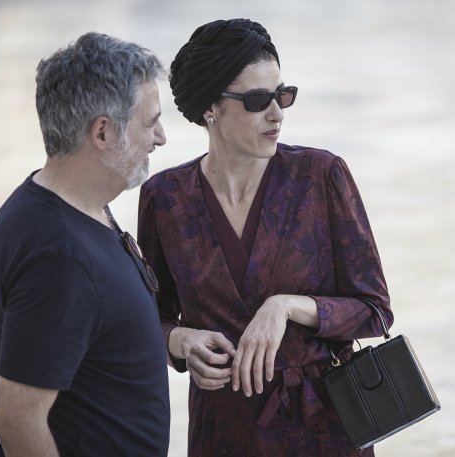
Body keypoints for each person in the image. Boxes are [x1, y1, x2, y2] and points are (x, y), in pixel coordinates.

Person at [138, 19, 392, 456]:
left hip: (324, 432)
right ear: (210, 108)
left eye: (283, 95)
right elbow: (147, 318)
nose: (277, 113)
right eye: (258, 100)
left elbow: (375, 311)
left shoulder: (321, 175)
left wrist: (286, 306)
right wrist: (180, 342)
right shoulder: (165, 198)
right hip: (223, 432)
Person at [0, 32, 170, 457]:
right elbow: (17, 422)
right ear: (102, 132)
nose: (160, 137)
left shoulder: (74, 204)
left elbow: (96, 332)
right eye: (149, 122)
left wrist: (174, 343)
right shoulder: (60, 257)